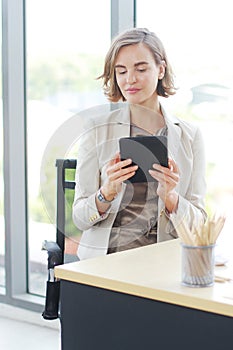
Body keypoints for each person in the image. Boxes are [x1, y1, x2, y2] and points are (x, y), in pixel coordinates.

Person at [72, 27, 207, 260]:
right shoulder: (96, 131)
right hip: (107, 262)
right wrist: (107, 192)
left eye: (141, 69)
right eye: (121, 71)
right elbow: (80, 218)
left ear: (161, 69)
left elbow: (200, 224)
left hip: (163, 262)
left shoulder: (190, 136)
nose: (130, 79)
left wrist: (171, 198)